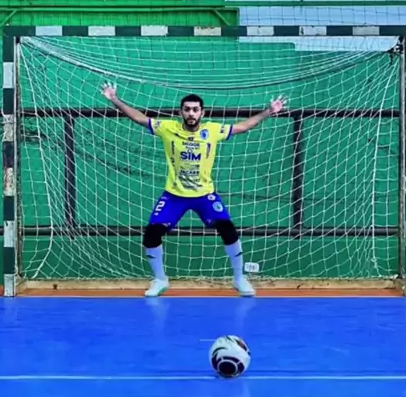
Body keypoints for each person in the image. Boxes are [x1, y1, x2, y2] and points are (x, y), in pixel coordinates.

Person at [101, 84, 285, 297]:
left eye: (195, 109)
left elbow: (243, 127)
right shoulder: (168, 128)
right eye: (187, 109)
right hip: (174, 195)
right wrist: (114, 99)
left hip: (205, 196)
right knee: (152, 234)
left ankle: (239, 278)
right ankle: (160, 279)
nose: (191, 113)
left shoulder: (212, 130)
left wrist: (269, 111)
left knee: (228, 230)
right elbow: (139, 118)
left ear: (202, 113)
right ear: (181, 112)